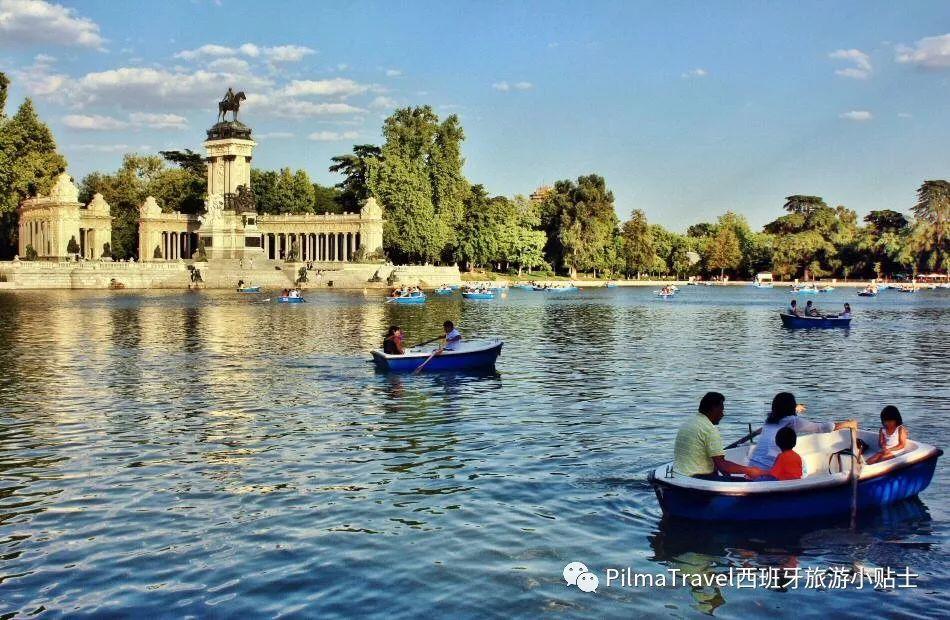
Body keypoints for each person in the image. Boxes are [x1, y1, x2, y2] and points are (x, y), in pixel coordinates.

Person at [747, 392, 857, 470]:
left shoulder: (769, 420)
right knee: (803, 465)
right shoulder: (793, 421)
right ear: (791, 407)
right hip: (769, 469)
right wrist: (847, 424)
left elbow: (783, 412)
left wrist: (795, 409)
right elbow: (823, 428)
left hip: (752, 465)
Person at [673, 392, 767, 480]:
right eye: (721, 410)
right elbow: (722, 465)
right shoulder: (709, 429)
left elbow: (719, 465)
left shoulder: (690, 421)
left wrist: (728, 478)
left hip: (680, 475)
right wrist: (749, 470)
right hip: (698, 478)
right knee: (748, 483)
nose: (722, 414)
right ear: (713, 409)